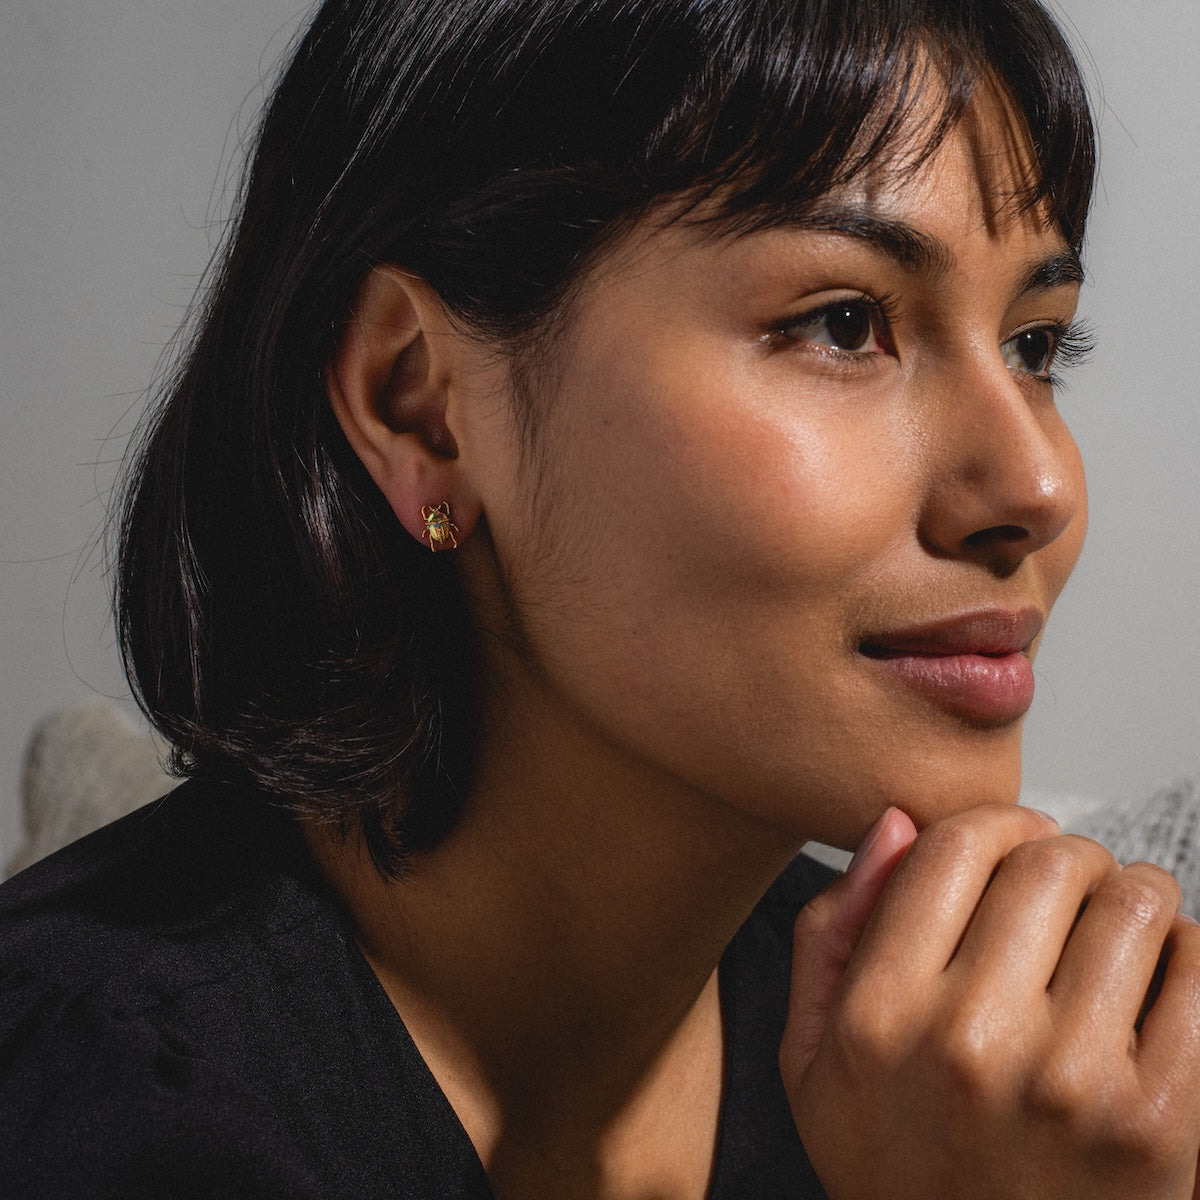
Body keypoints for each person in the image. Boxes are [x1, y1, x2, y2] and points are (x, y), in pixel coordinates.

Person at [3, 0, 1200, 1196]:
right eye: (845, 324)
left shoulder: (989, 1074)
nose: (1037, 485)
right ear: (421, 402)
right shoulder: (103, 1107)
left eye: (1038, 347)